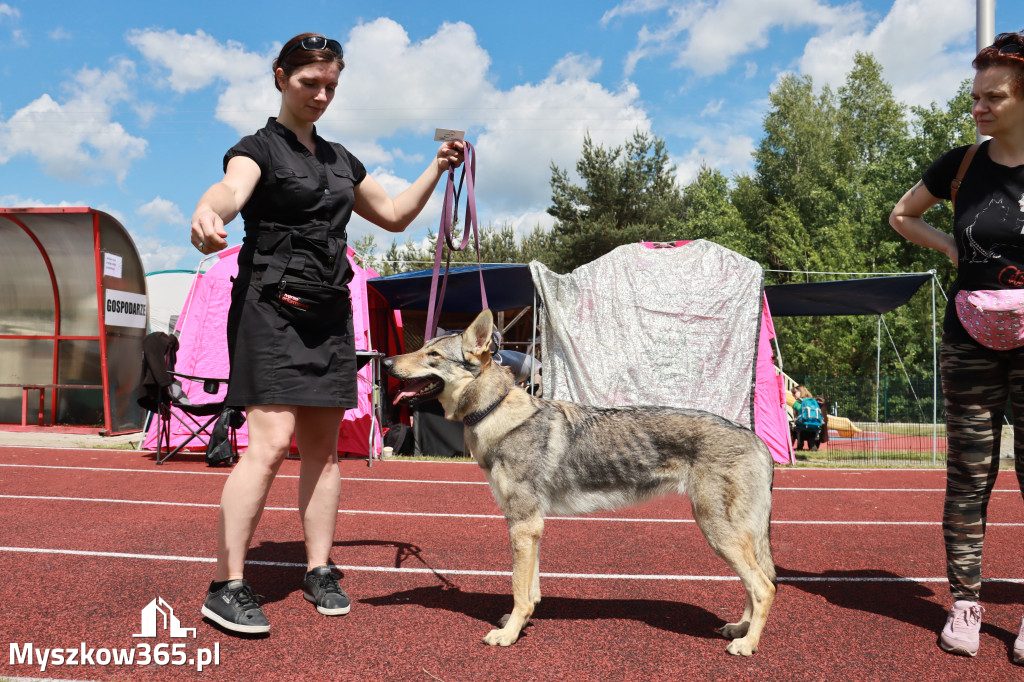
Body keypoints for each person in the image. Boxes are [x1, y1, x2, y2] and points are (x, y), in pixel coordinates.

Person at [189, 33, 464, 635]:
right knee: (267, 443)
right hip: (270, 307)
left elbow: (392, 215)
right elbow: (230, 189)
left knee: (324, 449)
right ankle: (226, 584)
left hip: (327, 309)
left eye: (330, 86)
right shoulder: (257, 148)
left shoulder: (342, 160)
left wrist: (437, 169)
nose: (320, 95)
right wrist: (209, 213)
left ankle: (318, 568)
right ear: (280, 77)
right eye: (308, 83)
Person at [889, 30, 1024, 664]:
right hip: (969, 340)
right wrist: (954, 249)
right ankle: (965, 600)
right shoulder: (960, 165)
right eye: (974, 96)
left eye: (992, 96)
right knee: (969, 478)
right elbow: (901, 215)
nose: (978, 107)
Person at [791, 385, 823, 452]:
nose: (793, 395)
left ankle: (799, 446)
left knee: (794, 428)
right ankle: (812, 446)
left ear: (801, 392)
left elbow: (795, 418)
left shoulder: (796, 403)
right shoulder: (813, 401)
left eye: (794, 392)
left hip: (802, 428)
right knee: (811, 437)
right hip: (815, 427)